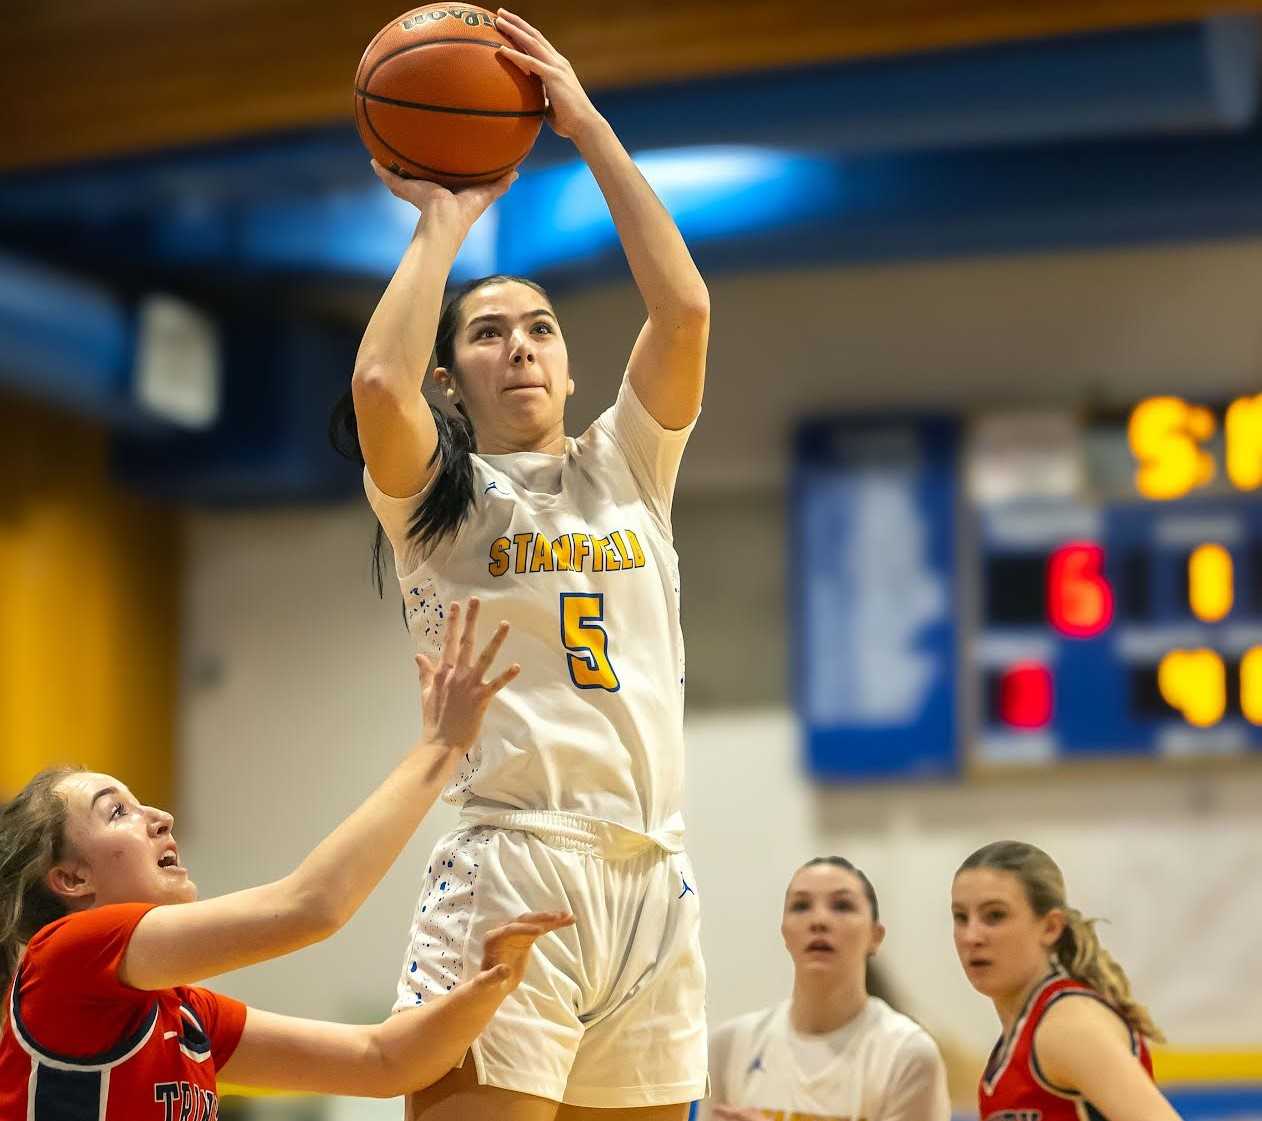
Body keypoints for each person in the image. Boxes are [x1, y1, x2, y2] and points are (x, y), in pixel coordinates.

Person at [334, 6, 711, 1117]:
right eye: (488, 333)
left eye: (539, 327)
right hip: (514, 856)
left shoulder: (625, 466)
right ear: (451, 378)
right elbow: (374, 389)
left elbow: (683, 308)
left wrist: (587, 126)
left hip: (653, 870)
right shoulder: (438, 502)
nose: (520, 347)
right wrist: (447, 217)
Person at [0, 605, 573, 1118]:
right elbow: (311, 907)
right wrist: (440, 747)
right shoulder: (66, 956)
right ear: (71, 878)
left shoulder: (187, 1015)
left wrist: (491, 984)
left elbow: (382, 1062)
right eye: (117, 812)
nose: (159, 817)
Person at [705, 857, 950, 1121]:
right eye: (801, 906)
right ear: (784, 933)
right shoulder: (729, 1044)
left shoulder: (907, 1052)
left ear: (875, 936)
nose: (819, 920)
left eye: (842, 906)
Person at [952, 840, 1183, 1121]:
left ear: (1050, 927)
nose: (971, 936)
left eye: (995, 916)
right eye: (961, 917)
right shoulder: (1020, 1033)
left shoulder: (1066, 1026)